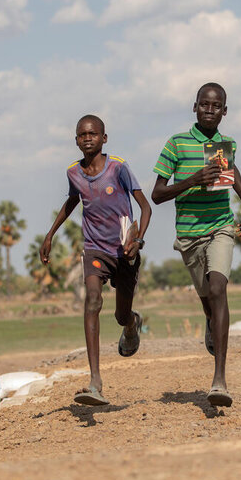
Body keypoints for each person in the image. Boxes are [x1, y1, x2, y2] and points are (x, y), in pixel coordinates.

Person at [151, 82, 241, 408]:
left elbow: (230, 170)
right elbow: (157, 194)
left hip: (221, 226)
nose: (210, 110)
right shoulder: (177, 145)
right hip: (189, 235)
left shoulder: (224, 145)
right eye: (204, 105)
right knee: (208, 297)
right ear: (195, 107)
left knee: (219, 288)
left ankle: (219, 379)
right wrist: (194, 179)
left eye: (216, 106)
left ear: (224, 110)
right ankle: (210, 320)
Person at [41, 114, 151, 406]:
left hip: (124, 251)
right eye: (81, 135)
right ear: (76, 140)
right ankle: (95, 381)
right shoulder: (73, 172)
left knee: (120, 315)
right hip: (95, 249)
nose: (87, 138)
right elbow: (72, 200)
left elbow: (145, 207)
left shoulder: (118, 167)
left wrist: (137, 240)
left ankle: (131, 324)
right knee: (92, 300)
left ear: (104, 138)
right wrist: (50, 233)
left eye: (92, 134)